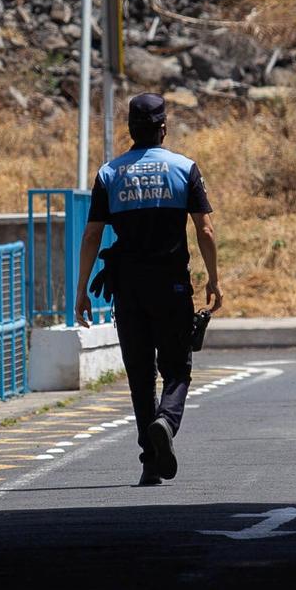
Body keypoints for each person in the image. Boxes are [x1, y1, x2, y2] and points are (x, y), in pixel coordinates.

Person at [75, 93, 223, 487]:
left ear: (129, 129)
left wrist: (80, 291)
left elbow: (92, 234)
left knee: (141, 376)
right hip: (171, 286)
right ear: (163, 127)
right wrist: (214, 278)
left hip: (128, 289)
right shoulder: (183, 168)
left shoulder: (110, 173)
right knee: (177, 370)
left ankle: (150, 462)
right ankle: (166, 421)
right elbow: (204, 229)